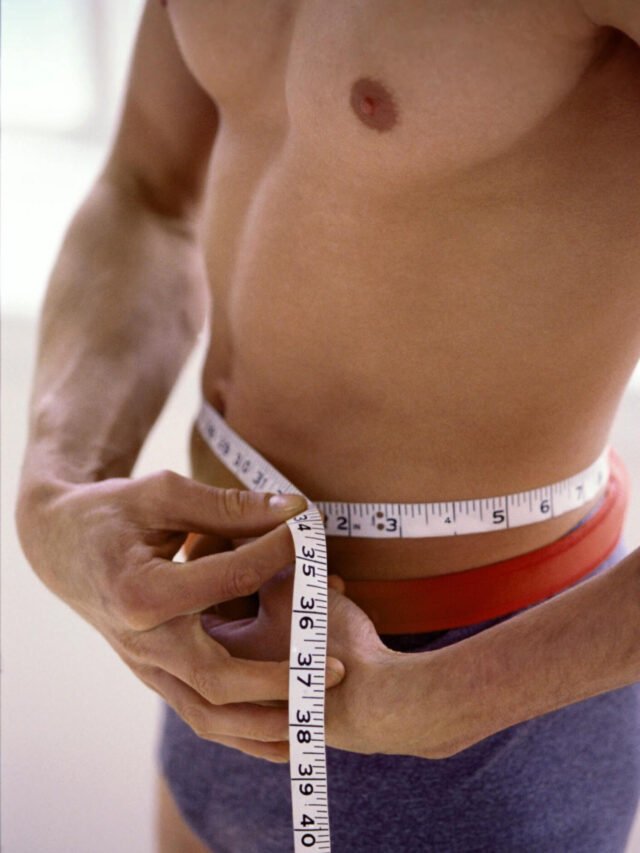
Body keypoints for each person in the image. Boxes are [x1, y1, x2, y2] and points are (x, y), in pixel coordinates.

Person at [15, 1, 640, 850]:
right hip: (216, 649)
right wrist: (55, 486)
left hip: (487, 696)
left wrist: (453, 697)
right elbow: (147, 190)